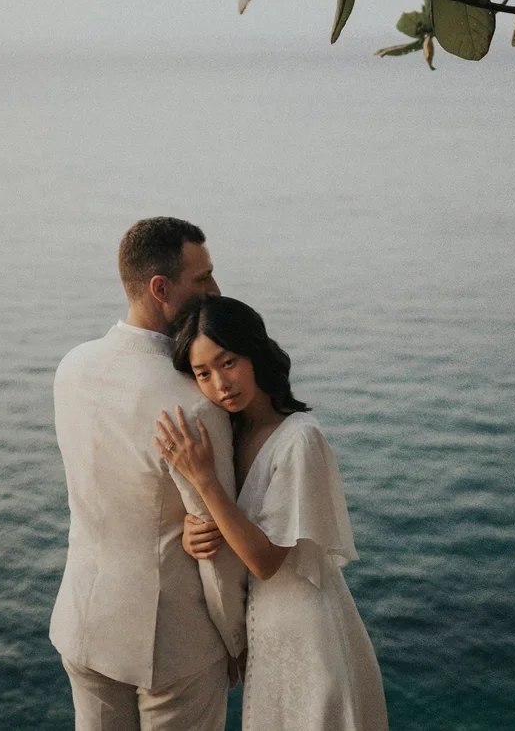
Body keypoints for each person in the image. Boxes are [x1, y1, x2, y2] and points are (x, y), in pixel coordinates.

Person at [50, 218, 246, 731]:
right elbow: (215, 543)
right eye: (201, 279)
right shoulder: (193, 401)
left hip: (83, 621)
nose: (215, 291)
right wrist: (238, 641)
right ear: (161, 289)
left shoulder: (72, 367)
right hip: (172, 643)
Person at [157, 296, 389, 731]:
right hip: (265, 637)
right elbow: (238, 528)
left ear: (254, 353)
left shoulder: (300, 440)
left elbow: (265, 559)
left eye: (228, 362)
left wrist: (204, 481)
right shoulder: (232, 433)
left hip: (310, 637)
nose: (220, 384)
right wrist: (196, 532)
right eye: (203, 373)